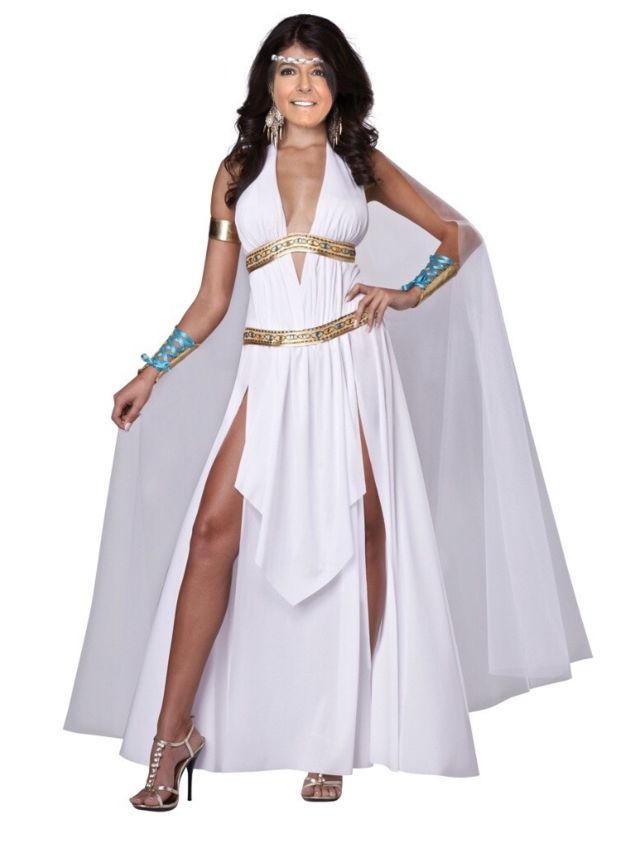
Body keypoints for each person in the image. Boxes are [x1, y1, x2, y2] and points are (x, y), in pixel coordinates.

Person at [63, 14, 593, 809]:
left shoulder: (360, 163)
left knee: (367, 527)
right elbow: (213, 299)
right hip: (269, 366)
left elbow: (459, 235)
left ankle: (337, 736)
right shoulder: (237, 171)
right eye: (287, 69)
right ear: (268, 84)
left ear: (339, 83)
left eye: (316, 70)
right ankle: (174, 737)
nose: (303, 84)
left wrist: (408, 293)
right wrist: (152, 371)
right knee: (213, 534)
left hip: (351, 363)